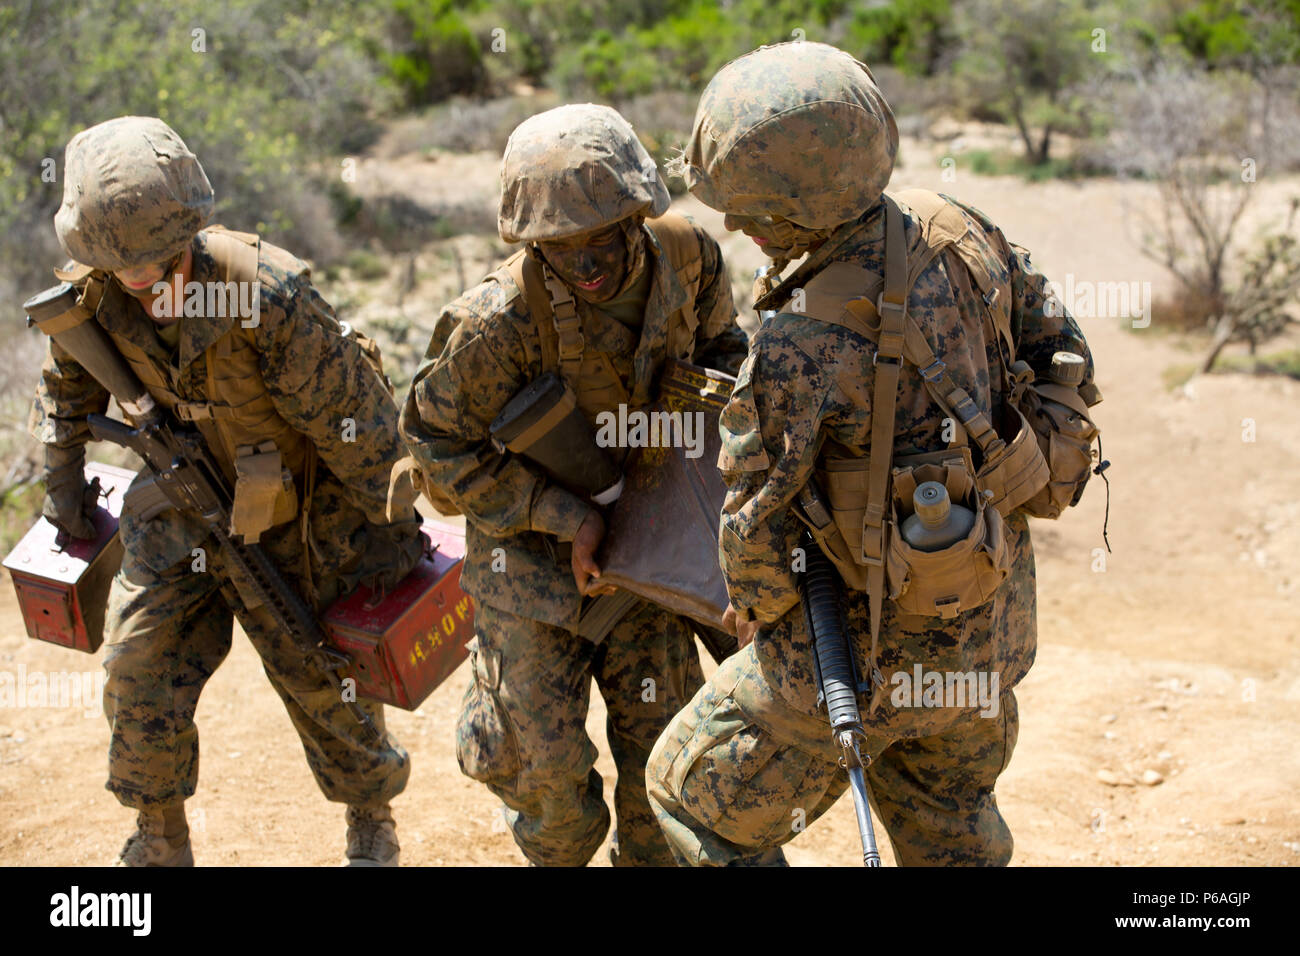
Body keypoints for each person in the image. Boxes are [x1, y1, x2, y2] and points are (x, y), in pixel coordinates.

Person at [646, 42, 1102, 866]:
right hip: (991, 635)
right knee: (949, 827)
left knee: (686, 796)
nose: (737, 226)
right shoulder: (960, 229)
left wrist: (758, 609)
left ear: (800, 204)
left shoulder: (797, 340)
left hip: (860, 666)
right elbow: (1064, 355)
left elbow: (755, 535)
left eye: (753, 210)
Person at [30, 115, 424, 866]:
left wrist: (393, 531)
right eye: (119, 265)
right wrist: (63, 483)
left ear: (185, 229)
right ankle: (159, 833)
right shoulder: (92, 295)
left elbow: (357, 424)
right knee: (137, 667)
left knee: (322, 674)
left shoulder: (261, 294)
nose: (138, 279)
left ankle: (370, 818)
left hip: (292, 516)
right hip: (177, 509)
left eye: (152, 261)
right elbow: (65, 392)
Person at [400, 104, 753, 866]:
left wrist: (697, 479)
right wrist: (560, 514)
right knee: (552, 802)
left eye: (601, 238)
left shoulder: (689, 261)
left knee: (664, 779)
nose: (586, 265)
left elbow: (727, 355)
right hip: (531, 570)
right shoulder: (495, 323)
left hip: (652, 555)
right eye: (559, 248)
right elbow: (434, 442)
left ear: (637, 214)